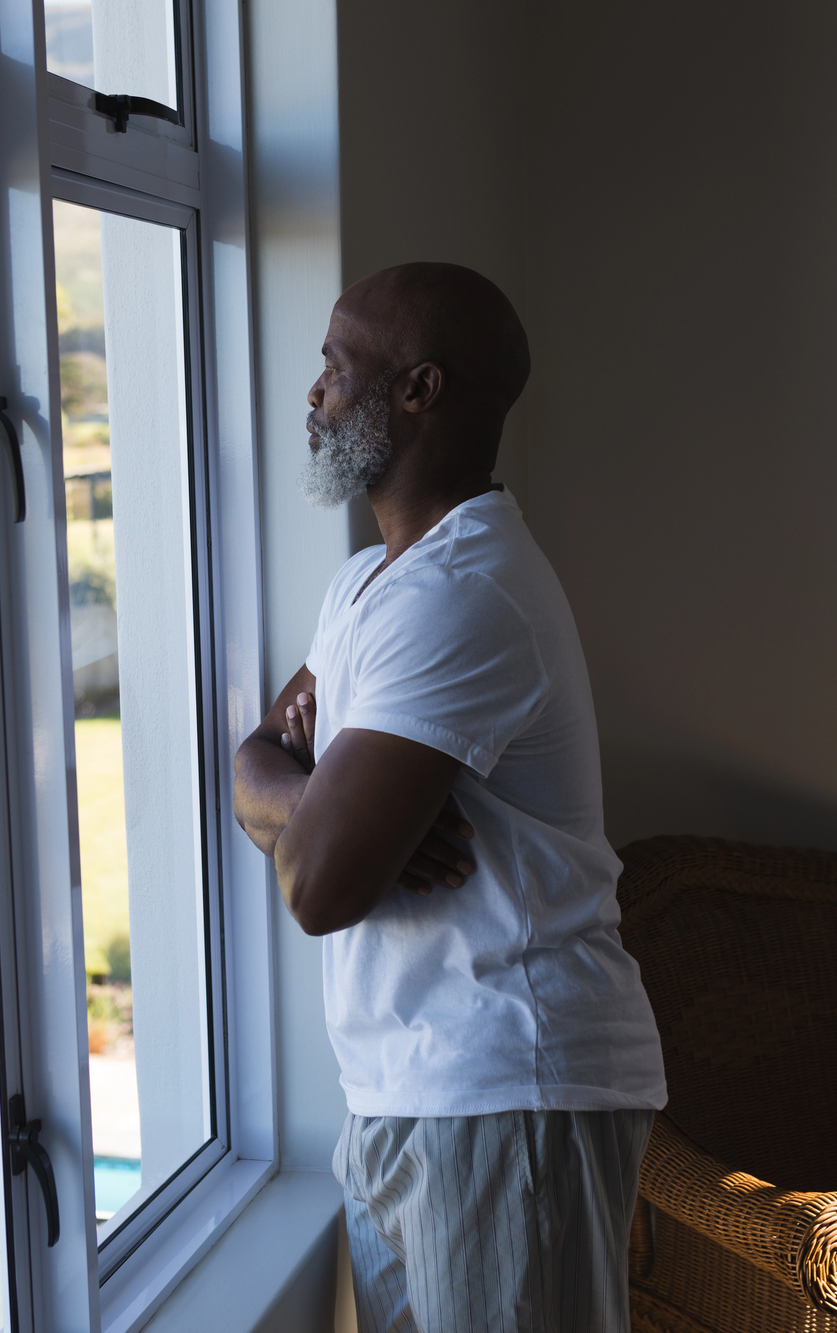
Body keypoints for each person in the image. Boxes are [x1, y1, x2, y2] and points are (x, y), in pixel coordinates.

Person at [233, 263, 667, 1332]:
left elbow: (319, 886)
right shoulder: (364, 587)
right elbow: (253, 766)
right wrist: (315, 796)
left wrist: (329, 824)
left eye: (336, 365)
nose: (313, 392)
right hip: (402, 1083)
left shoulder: (463, 595)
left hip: (505, 1077)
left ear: (418, 390)